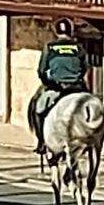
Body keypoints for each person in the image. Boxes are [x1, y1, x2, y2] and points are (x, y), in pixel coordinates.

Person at [30, 18, 90, 154]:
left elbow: (41, 70)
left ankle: (42, 142)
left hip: (57, 88)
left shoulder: (50, 47)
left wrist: (47, 82)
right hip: (77, 88)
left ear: (57, 32)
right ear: (71, 32)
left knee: (38, 109)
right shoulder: (78, 47)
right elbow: (85, 67)